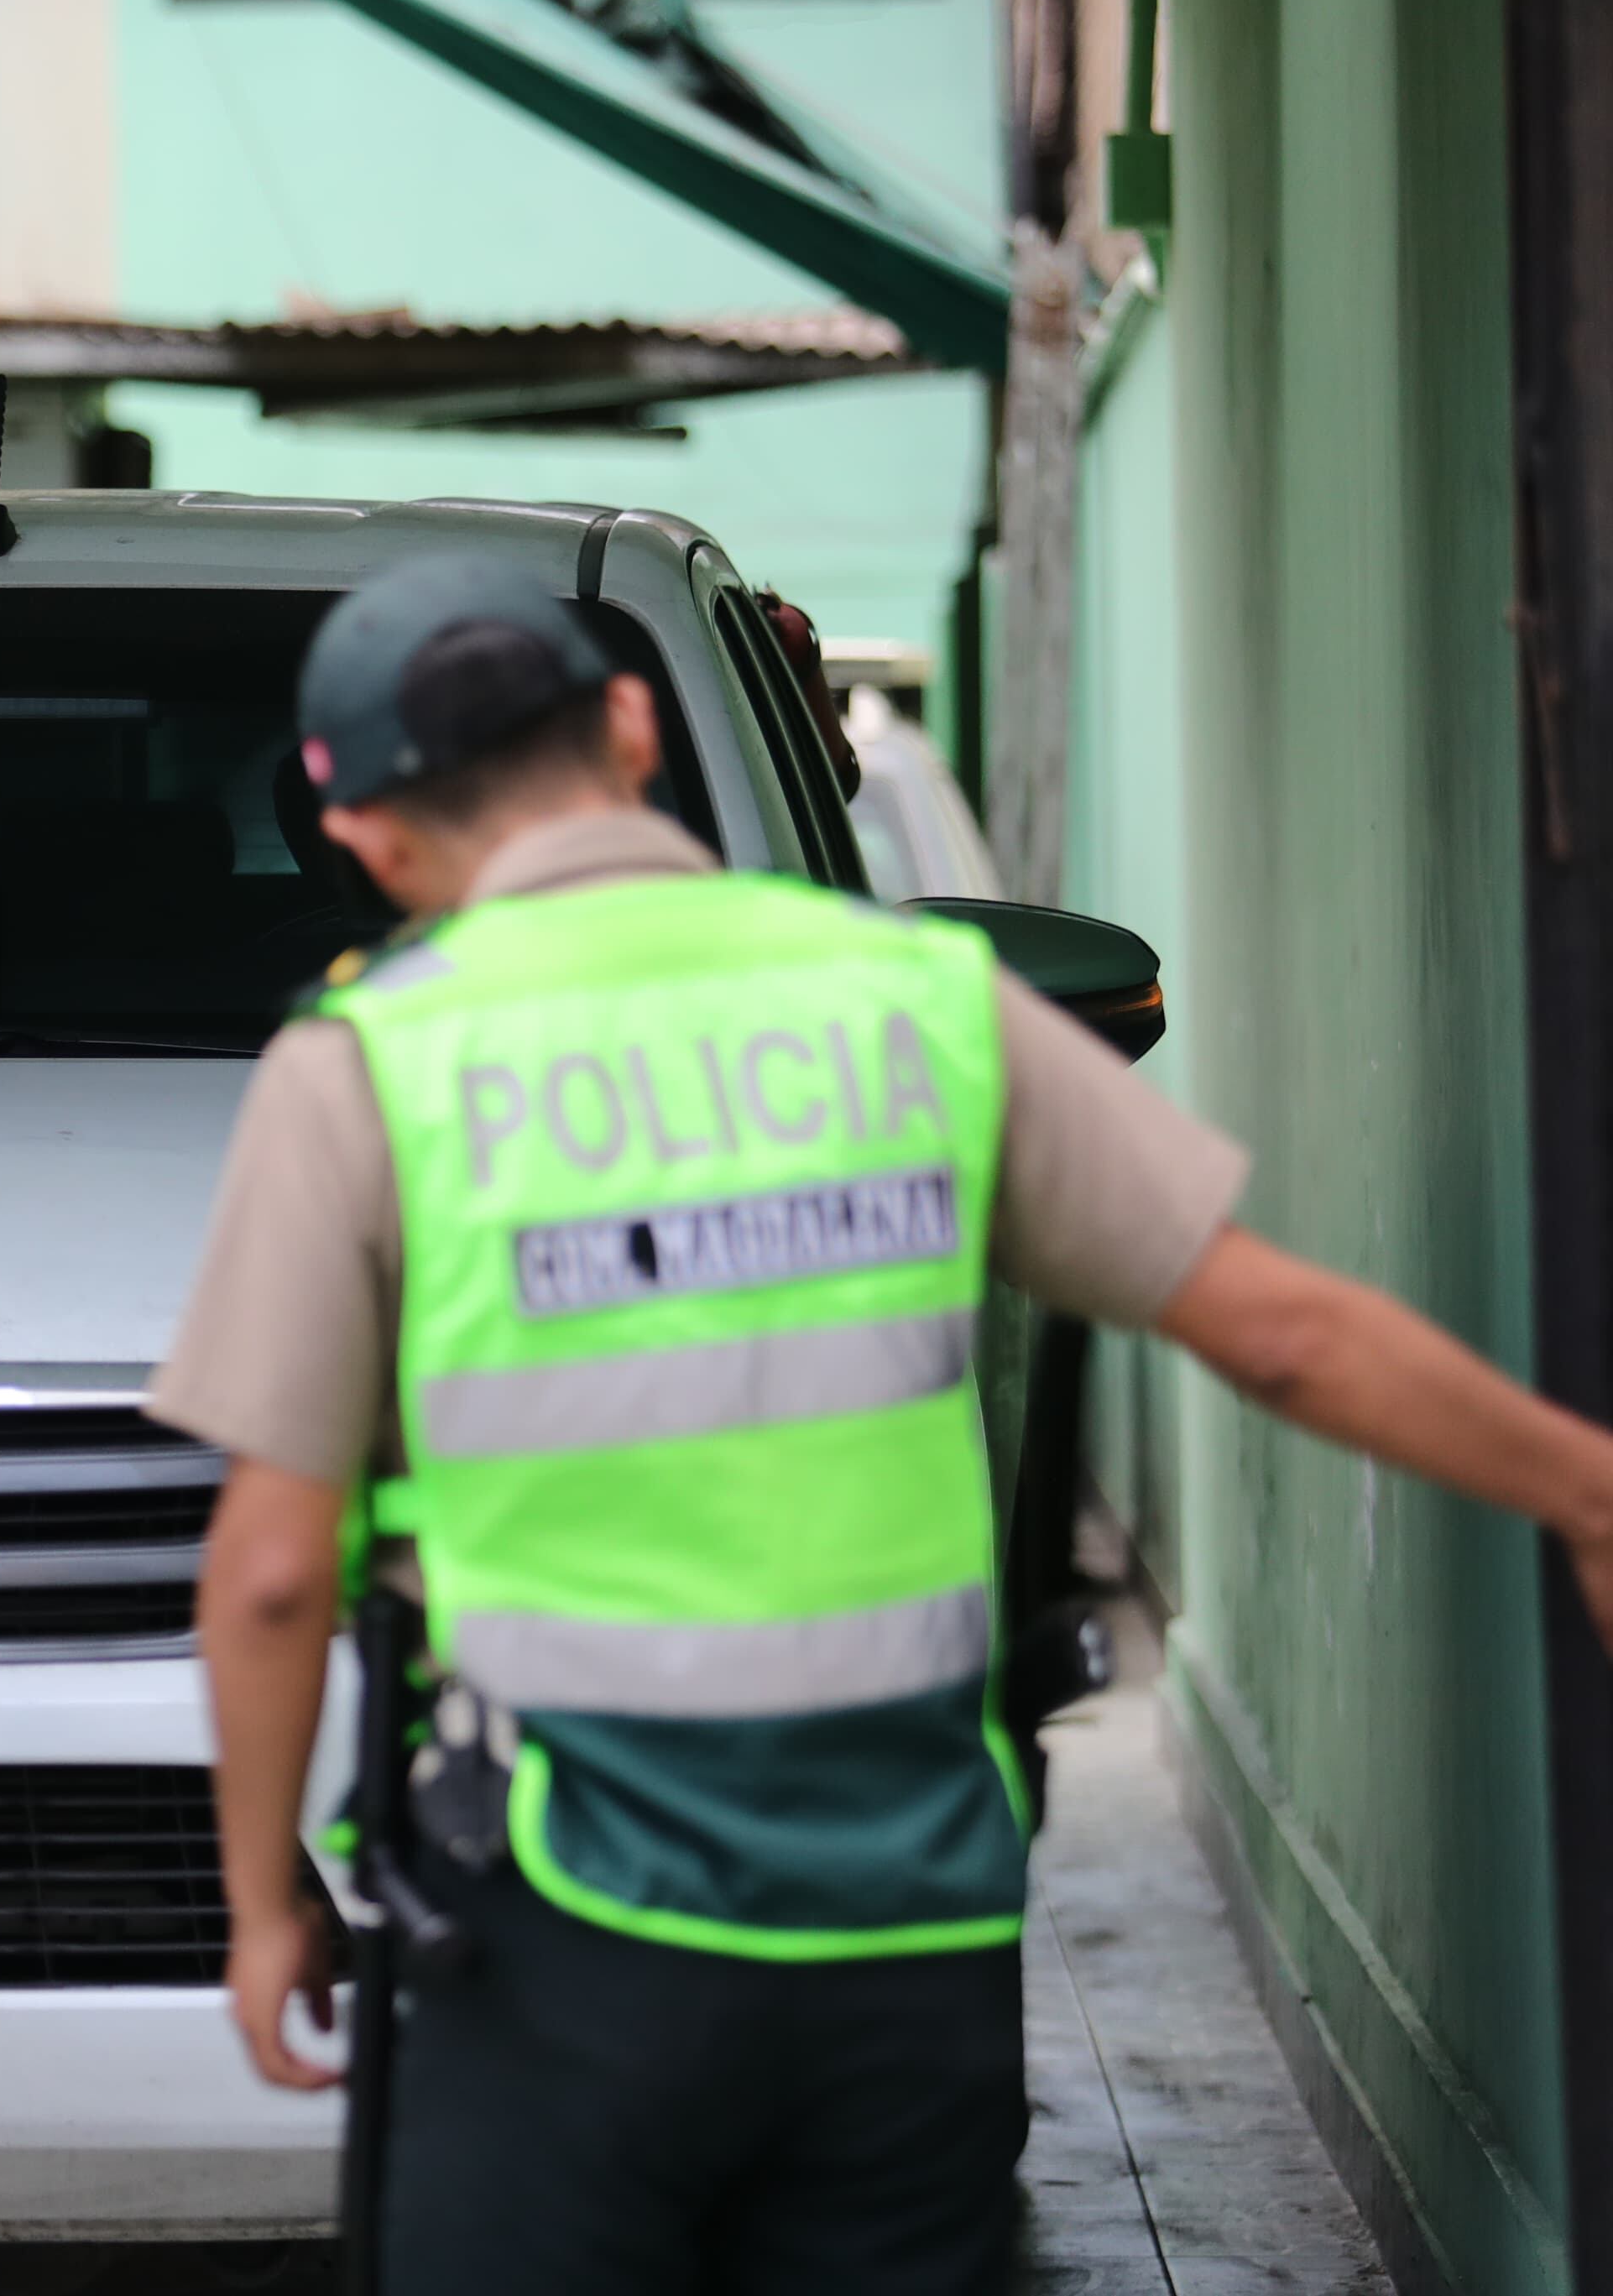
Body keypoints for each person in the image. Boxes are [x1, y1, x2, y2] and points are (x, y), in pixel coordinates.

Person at [164, 553, 1613, 2293]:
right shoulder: (916, 1004)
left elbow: (264, 1574)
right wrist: (1588, 1491)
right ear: (630, 729)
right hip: (907, 1926)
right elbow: (1285, 1334)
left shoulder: (368, 1068)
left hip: (564, 1938)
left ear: (365, 833)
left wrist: (264, 1907)